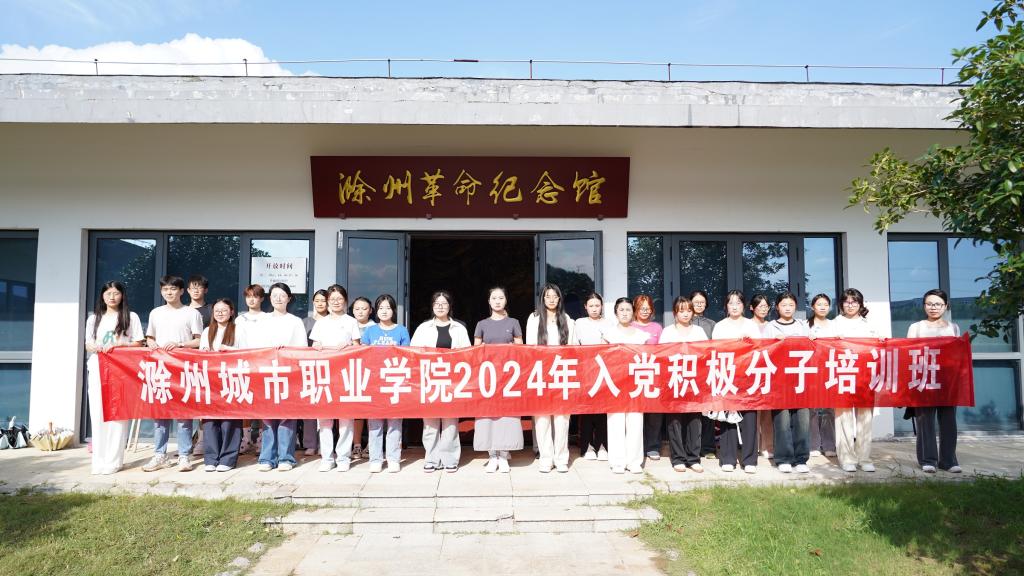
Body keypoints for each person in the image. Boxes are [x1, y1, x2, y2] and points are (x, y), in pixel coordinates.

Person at [142, 275, 203, 472]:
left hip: (183, 369)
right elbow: (149, 338)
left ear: (181, 291)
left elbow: (199, 340)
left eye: (173, 289)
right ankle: (160, 455)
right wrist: (152, 344)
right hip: (160, 369)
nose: (169, 292)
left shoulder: (191, 313)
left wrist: (180, 344)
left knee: (184, 415)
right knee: (160, 414)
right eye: (165, 289)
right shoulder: (156, 313)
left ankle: (184, 455)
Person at [84, 281, 144, 475]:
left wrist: (120, 346)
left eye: (116, 293)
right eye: (108, 293)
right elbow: (88, 343)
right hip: (98, 368)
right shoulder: (94, 319)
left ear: (122, 296)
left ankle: (114, 460)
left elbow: (138, 342)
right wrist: (93, 347)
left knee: (118, 413)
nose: (112, 297)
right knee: (98, 412)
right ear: (102, 296)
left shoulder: (130, 317)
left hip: (121, 370)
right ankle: (99, 460)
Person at [411, 290, 470, 473]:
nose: (440, 307)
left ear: (450, 306)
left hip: (452, 381)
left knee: (450, 422)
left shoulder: (459, 328)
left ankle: (450, 458)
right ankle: (431, 458)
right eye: (437, 304)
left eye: (444, 304)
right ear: (432, 306)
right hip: (429, 380)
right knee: (430, 422)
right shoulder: (423, 328)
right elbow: (413, 352)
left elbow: (468, 354)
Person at [253, 282, 308, 472]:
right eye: (275, 295)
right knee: (268, 417)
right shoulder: (262, 320)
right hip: (267, 372)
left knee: (286, 417)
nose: (278, 298)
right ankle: (267, 458)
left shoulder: (295, 321)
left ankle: (286, 458)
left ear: (289, 298)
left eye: (282, 295)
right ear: (269, 298)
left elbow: (302, 348)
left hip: (288, 374)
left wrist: (286, 350)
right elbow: (256, 346)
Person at [908, 289, 962, 474]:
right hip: (923, 379)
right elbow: (908, 353)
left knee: (949, 421)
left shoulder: (953, 328)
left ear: (945, 306)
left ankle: (948, 460)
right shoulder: (916, 327)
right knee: (925, 420)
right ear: (924, 306)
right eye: (929, 304)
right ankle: (927, 459)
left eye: (938, 304)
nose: (933, 307)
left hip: (947, 380)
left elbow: (957, 355)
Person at [309, 284, 362, 472]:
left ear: (345, 300)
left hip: (345, 374)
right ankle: (326, 457)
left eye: (339, 299)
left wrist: (347, 346)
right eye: (332, 299)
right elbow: (314, 344)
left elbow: (358, 347)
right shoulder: (321, 323)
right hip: (324, 374)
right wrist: (317, 346)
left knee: (346, 418)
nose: (336, 302)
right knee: (324, 419)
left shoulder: (351, 321)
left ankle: (343, 457)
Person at [473, 287, 525, 474]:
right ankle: (492, 455)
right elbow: (475, 352)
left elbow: (520, 349)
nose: (497, 301)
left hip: (508, 378)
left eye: (500, 298)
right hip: (487, 378)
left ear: (506, 300)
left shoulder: (514, 322)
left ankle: (504, 454)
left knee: (507, 416)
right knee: (488, 416)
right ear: (489, 301)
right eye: (494, 298)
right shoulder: (481, 324)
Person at [525, 283, 576, 473]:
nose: (552, 299)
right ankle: (546, 458)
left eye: (555, 296)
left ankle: (561, 458)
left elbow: (572, 348)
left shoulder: (568, 320)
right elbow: (530, 347)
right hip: (541, 372)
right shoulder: (534, 318)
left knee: (562, 418)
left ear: (559, 299)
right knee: (542, 418)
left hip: (562, 372)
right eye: (548, 296)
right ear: (543, 299)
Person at [711, 289, 761, 474]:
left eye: (738, 303)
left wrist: (747, 343)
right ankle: (728, 458)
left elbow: (759, 348)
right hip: (727, 374)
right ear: (726, 306)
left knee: (749, 417)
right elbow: (715, 349)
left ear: (744, 306)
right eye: (731, 303)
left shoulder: (751, 325)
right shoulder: (720, 326)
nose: (734, 306)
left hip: (748, 375)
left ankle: (749, 460)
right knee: (727, 417)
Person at [362, 294, 411, 473]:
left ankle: (393, 458)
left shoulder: (401, 330)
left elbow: (407, 355)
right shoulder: (370, 331)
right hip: (375, 382)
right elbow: (363, 355)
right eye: (381, 308)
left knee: (394, 422)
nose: (384, 311)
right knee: (374, 423)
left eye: (388, 308)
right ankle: (375, 458)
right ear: (376, 311)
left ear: (393, 310)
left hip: (395, 380)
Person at [833, 288, 880, 473]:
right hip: (843, 374)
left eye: (854, 302)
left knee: (865, 418)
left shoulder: (870, 324)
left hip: (865, 376)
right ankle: (846, 458)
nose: (850, 305)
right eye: (847, 302)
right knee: (843, 418)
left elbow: (878, 347)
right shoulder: (835, 323)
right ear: (841, 304)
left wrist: (881, 340)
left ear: (860, 304)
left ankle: (864, 458)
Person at [658, 296, 706, 473]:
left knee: (695, 419)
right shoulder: (667, 332)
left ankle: (693, 458)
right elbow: (661, 355)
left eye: (689, 310)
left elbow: (706, 353)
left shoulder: (699, 331)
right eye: (681, 311)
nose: (685, 314)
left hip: (694, 380)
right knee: (675, 420)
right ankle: (678, 458)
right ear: (675, 313)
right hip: (674, 379)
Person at [199, 298, 247, 472]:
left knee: (230, 420)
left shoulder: (239, 330)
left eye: (224, 310)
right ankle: (211, 458)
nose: (220, 313)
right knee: (210, 420)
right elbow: (201, 354)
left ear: (231, 312)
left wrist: (229, 350)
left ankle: (228, 459)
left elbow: (247, 352)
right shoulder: (207, 331)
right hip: (211, 380)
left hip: (231, 379)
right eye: (217, 310)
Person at [766, 292, 811, 473]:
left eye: (791, 305)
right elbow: (764, 350)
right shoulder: (770, 327)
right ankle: (783, 458)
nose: (787, 308)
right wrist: (774, 342)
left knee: (802, 420)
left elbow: (812, 348)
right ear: (777, 307)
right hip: (779, 381)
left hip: (801, 379)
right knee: (782, 420)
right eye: (784, 305)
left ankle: (801, 459)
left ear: (795, 307)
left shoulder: (803, 326)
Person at [604, 297, 648, 474]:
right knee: (615, 422)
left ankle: (634, 461)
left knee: (635, 422)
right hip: (614, 383)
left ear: (633, 313)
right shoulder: (608, 334)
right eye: (621, 310)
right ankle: (617, 461)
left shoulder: (641, 336)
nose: (624, 313)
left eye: (628, 310)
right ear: (616, 312)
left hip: (636, 383)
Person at [573, 292, 612, 461]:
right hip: (585, 368)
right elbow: (575, 345)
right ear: (585, 307)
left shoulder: (609, 323)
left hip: (604, 369)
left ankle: (602, 445)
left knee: (603, 409)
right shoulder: (579, 323)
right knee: (587, 409)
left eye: (597, 305)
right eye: (591, 306)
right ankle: (587, 446)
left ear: (601, 306)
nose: (594, 309)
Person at [632, 294, 666, 462]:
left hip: (653, 374)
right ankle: (637, 446)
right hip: (633, 374)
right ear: (635, 309)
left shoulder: (657, 328)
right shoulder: (629, 326)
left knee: (654, 412)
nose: (645, 311)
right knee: (636, 413)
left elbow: (663, 350)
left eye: (648, 308)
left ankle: (653, 446)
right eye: (641, 308)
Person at [235, 283, 268, 454]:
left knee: (262, 402)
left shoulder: (268, 318)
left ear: (261, 298)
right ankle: (246, 438)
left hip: (262, 364)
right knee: (245, 401)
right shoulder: (239, 319)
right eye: (248, 296)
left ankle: (261, 439)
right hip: (243, 364)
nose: (252, 299)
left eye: (255, 296)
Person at [807, 293, 837, 458]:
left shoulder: (834, 325)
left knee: (829, 409)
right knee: (811, 409)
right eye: (819, 304)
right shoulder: (806, 325)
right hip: (811, 370)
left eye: (825, 304)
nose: (823, 307)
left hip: (830, 370)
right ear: (813, 307)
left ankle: (829, 445)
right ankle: (813, 445)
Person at [299, 288, 328, 456]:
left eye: (323, 300)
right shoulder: (305, 322)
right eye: (317, 300)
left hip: (329, 367)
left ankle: (325, 442)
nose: (320, 303)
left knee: (327, 407)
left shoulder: (332, 321)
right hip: (309, 367)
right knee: (309, 406)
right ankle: (310, 443)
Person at [691, 290, 718, 459]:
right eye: (696, 302)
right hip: (689, 370)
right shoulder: (684, 322)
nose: (699, 305)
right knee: (692, 410)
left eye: (702, 302)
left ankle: (708, 447)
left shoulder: (712, 324)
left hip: (707, 370)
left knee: (708, 410)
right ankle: (692, 446)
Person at [350, 296, 376, 459]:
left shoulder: (375, 327)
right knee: (356, 410)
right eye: (357, 309)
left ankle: (371, 445)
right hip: (352, 371)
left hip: (371, 372)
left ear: (370, 311)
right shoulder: (348, 324)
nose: (360, 312)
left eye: (364, 308)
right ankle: (357, 445)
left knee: (371, 410)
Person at [750, 293, 774, 460]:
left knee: (767, 411)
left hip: (768, 371)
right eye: (760, 306)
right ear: (752, 308)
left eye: (766, 306)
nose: (763, 309)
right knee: (752, 412)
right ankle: (753, 446)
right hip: (750, 370)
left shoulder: (772, 326)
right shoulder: (747, 325)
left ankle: (767, 446)